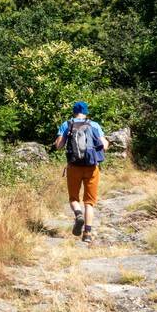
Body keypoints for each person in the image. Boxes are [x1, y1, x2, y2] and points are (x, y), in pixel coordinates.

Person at [54, 100, 109, 246]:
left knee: (73, 198)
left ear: (73, 111)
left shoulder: (67, 124)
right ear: (86, 111)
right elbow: (105, 145)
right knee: (89, 203)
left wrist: (60, 137)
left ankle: (78, 215)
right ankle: (87, 234)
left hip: (73, 166)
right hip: (91, 167)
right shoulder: (94, 124)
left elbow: (59, 146)